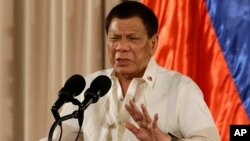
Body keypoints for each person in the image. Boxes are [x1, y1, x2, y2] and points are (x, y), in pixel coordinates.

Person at [41, 1, 220, 141]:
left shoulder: (181, 88)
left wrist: (165, 140)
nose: (121, 47)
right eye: (115, 38)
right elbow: (60, 138)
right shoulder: (90, 86)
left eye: (133, 38)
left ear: (153, 44)